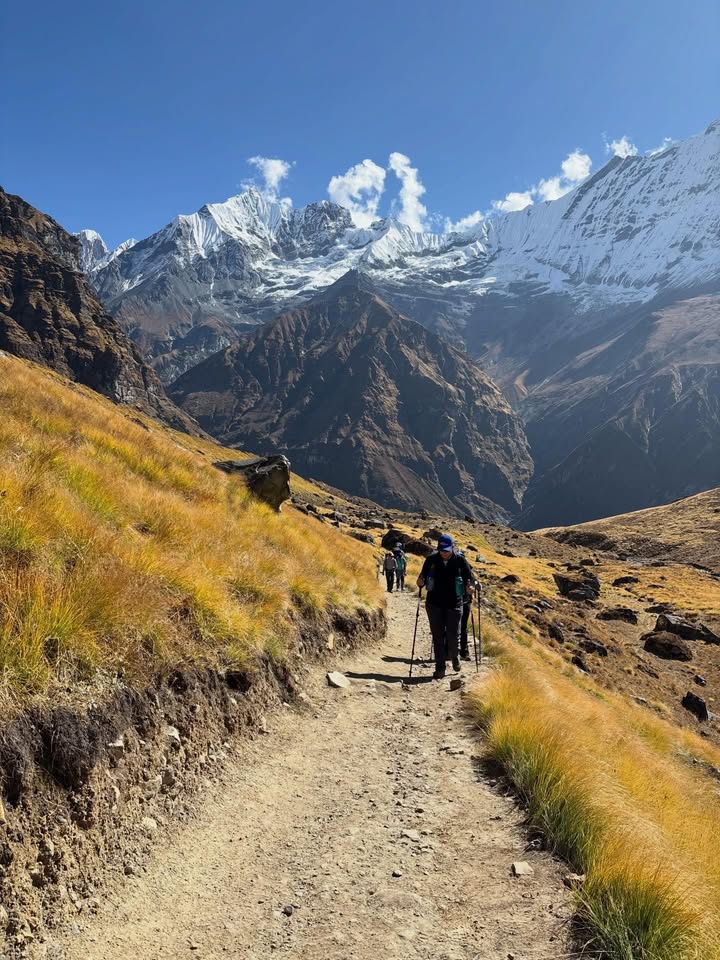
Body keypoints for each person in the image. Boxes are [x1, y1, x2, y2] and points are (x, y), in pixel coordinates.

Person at [416, 534, 472, 680]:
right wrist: (420, 581)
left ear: (453, 548)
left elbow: (469, 578)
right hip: (434, 604)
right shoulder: (431, 560)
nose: (444, 553)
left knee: (453, 636)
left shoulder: (460, 561)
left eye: (447, 550)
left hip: (454, 604)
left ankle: (455, 657)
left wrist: (470, 587)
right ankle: (440, 668)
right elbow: (422, 576)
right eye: (441, 550)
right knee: (438, 637)